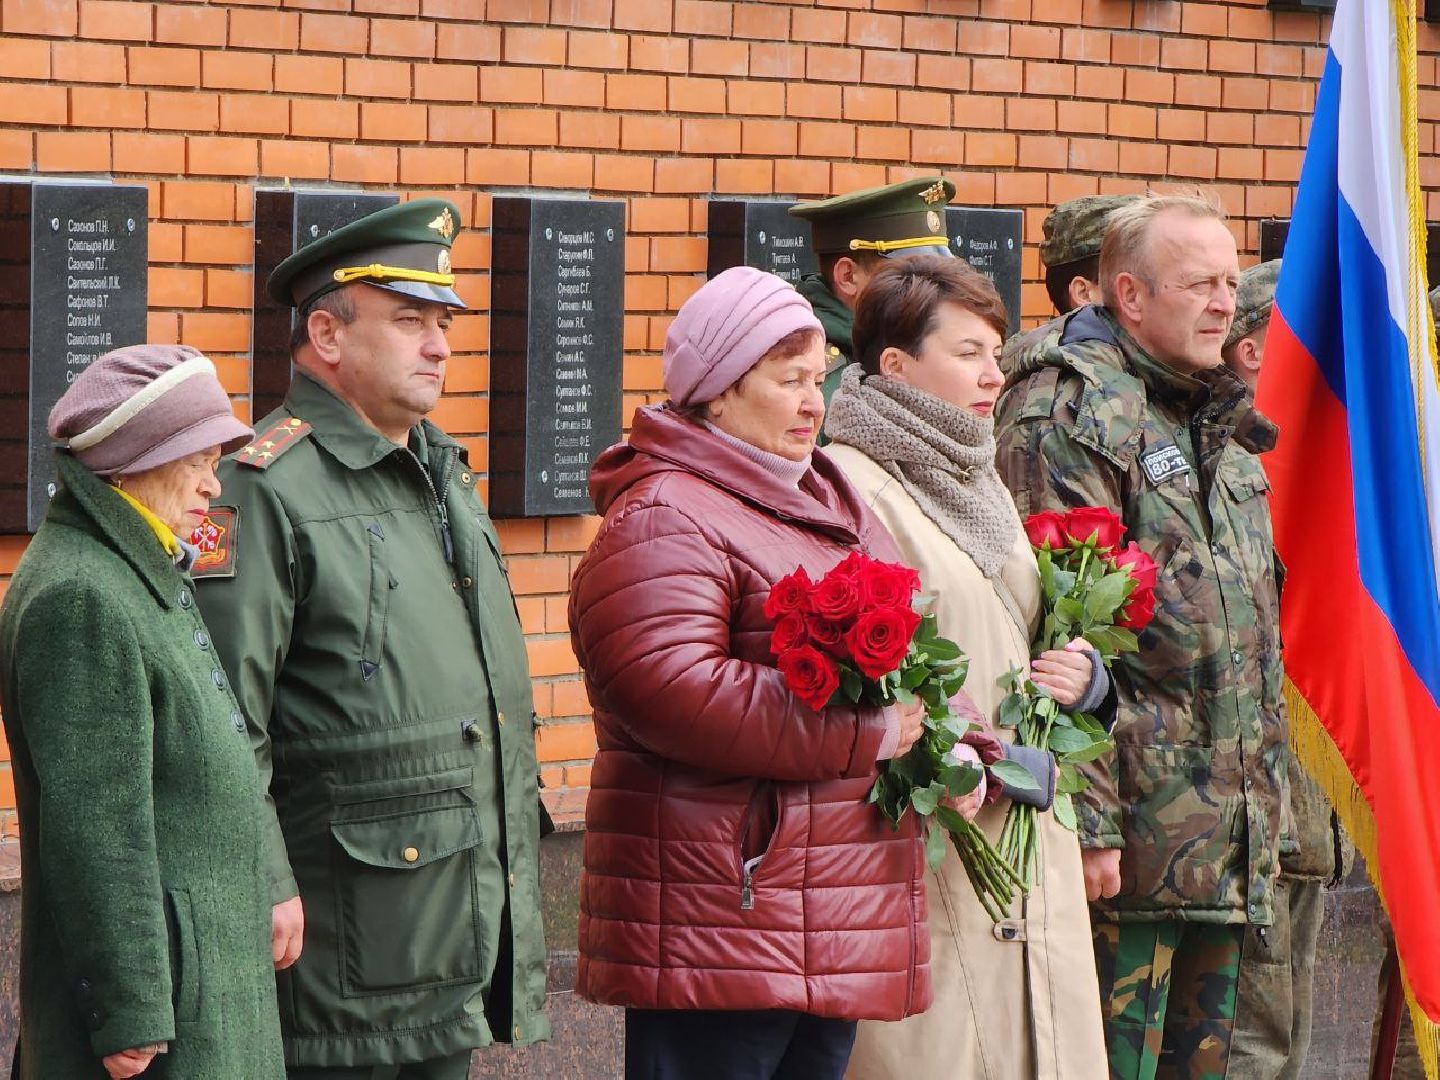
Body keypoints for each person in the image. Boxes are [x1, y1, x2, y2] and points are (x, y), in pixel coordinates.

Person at [193, 198, 549, 1078]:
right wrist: (263, 881)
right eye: (409, 321)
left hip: (446, 915)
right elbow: (221, 719)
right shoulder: (262, 490)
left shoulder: (441, 469)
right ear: (327, 333)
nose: (439, 345)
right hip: (342, 935)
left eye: (443, 323)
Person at [568, 266, 939, 1080]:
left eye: (819, 379)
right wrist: (868, 731)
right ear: (717, 393)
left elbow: (910, 648)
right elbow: (671, 691)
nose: (815, 401)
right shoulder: (668, 511)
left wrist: (950, 733)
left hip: (826, 908)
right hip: (723, 912)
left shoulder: (823, 495)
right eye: (789, 380)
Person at [995, 193, 1289, 1079]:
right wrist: (1089, 827)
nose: (1222, 305)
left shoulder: (1207, 412)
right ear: (1129, 293)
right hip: (1125, 853)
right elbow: (1056, 642)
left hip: (1217, 838)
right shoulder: (1071, 416)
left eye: (1230, 283)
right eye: (1198, 284)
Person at [823, 256, 1110, 1080]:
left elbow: (1009, 631)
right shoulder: (853, 485)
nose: (995, 375)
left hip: (1026, 829)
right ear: (895, 365)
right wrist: (935, 758)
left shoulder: (973, 474)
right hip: (934, 842)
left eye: (997, 353)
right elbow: (853, 680)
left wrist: (1087, 681)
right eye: (970, 354)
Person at [0, 345, 284, 1079]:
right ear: (134, 460)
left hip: (198, 991)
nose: (211, 485)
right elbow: (97, 829)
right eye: (197, 460)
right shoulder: (84, 594)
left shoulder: (130, 562)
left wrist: (271, 883)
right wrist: (126, 1010)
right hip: (164, 1025)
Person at [1223, 257, 1354, 1079]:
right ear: (1251, 351)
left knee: (1289, 1036)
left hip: (1309, 813)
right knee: (1252, 1043)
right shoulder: (1240, 456)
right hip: (1259, 811)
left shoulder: (1315, 453)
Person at [789, 175, 957, 409]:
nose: (932, 288)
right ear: (847, 276)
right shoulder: (816, 380)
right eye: (909, 276)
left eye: (938, 274)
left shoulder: (925, 351)